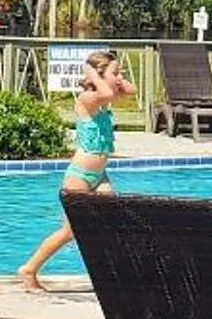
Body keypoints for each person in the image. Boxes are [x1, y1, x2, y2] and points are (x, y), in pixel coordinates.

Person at [17, 48, 133, 291]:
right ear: (98, 76)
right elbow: (106, 91)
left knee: (114, 217)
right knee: (69, 231)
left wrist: (117, 77)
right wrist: (93, 73)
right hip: (80, 177)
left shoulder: (104, 100)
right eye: (115, 72)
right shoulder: (88, 99)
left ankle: (112, 272)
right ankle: (29, 269)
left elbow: (131, 91)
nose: (119, 76)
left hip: (99, 176)